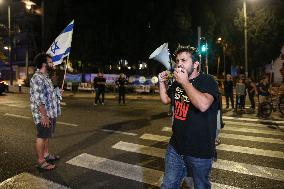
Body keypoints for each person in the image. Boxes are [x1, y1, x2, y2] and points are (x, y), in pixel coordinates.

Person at [158, 45, 219, 189]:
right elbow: (166, 100)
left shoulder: (208, 81)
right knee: (168, 185)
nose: (178, 64)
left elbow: (203, 105)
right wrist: (161, 82)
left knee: (200, 186)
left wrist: (185, 82)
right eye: (177, 60)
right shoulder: (178, 83)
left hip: (200, 150)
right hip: (176, 147)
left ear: (196, 64)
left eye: (184, 60)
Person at [30, 53, 61, 171]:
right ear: (44, 64)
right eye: (50, 62)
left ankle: (46, 154)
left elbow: (49, 95)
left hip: (50, 113)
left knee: (47, 135)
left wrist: (58, 92)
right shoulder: (37, 78)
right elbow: (39, 99)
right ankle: (41, 161)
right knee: (42, 136)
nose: (52, 64)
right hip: (43, 114)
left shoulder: (46, 77)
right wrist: (44, 116)